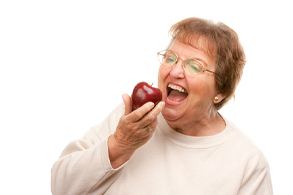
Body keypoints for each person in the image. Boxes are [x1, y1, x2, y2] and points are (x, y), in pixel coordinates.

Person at [51, 17, 273, 195]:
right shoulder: (131, 120)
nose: (175, 71)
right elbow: (61, 187)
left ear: (220, 91)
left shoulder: (247, 163)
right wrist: (120, 144)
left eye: (195, 67)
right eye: (170, 58)